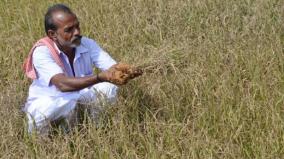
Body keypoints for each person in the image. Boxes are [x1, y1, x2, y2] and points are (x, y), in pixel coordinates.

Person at [22, 4, 142, 135]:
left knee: (108, 88)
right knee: (63, 105)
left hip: (77, 98)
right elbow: (62, 84)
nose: (77, 32)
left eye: (77, 26)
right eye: (69, 30)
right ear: (53, 34)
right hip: (51, 103)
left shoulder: (86, 43)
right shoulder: (42, 52)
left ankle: (97, 131)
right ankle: (45, 142)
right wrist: (99, 78)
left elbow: (111, 67)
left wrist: (127, 71)